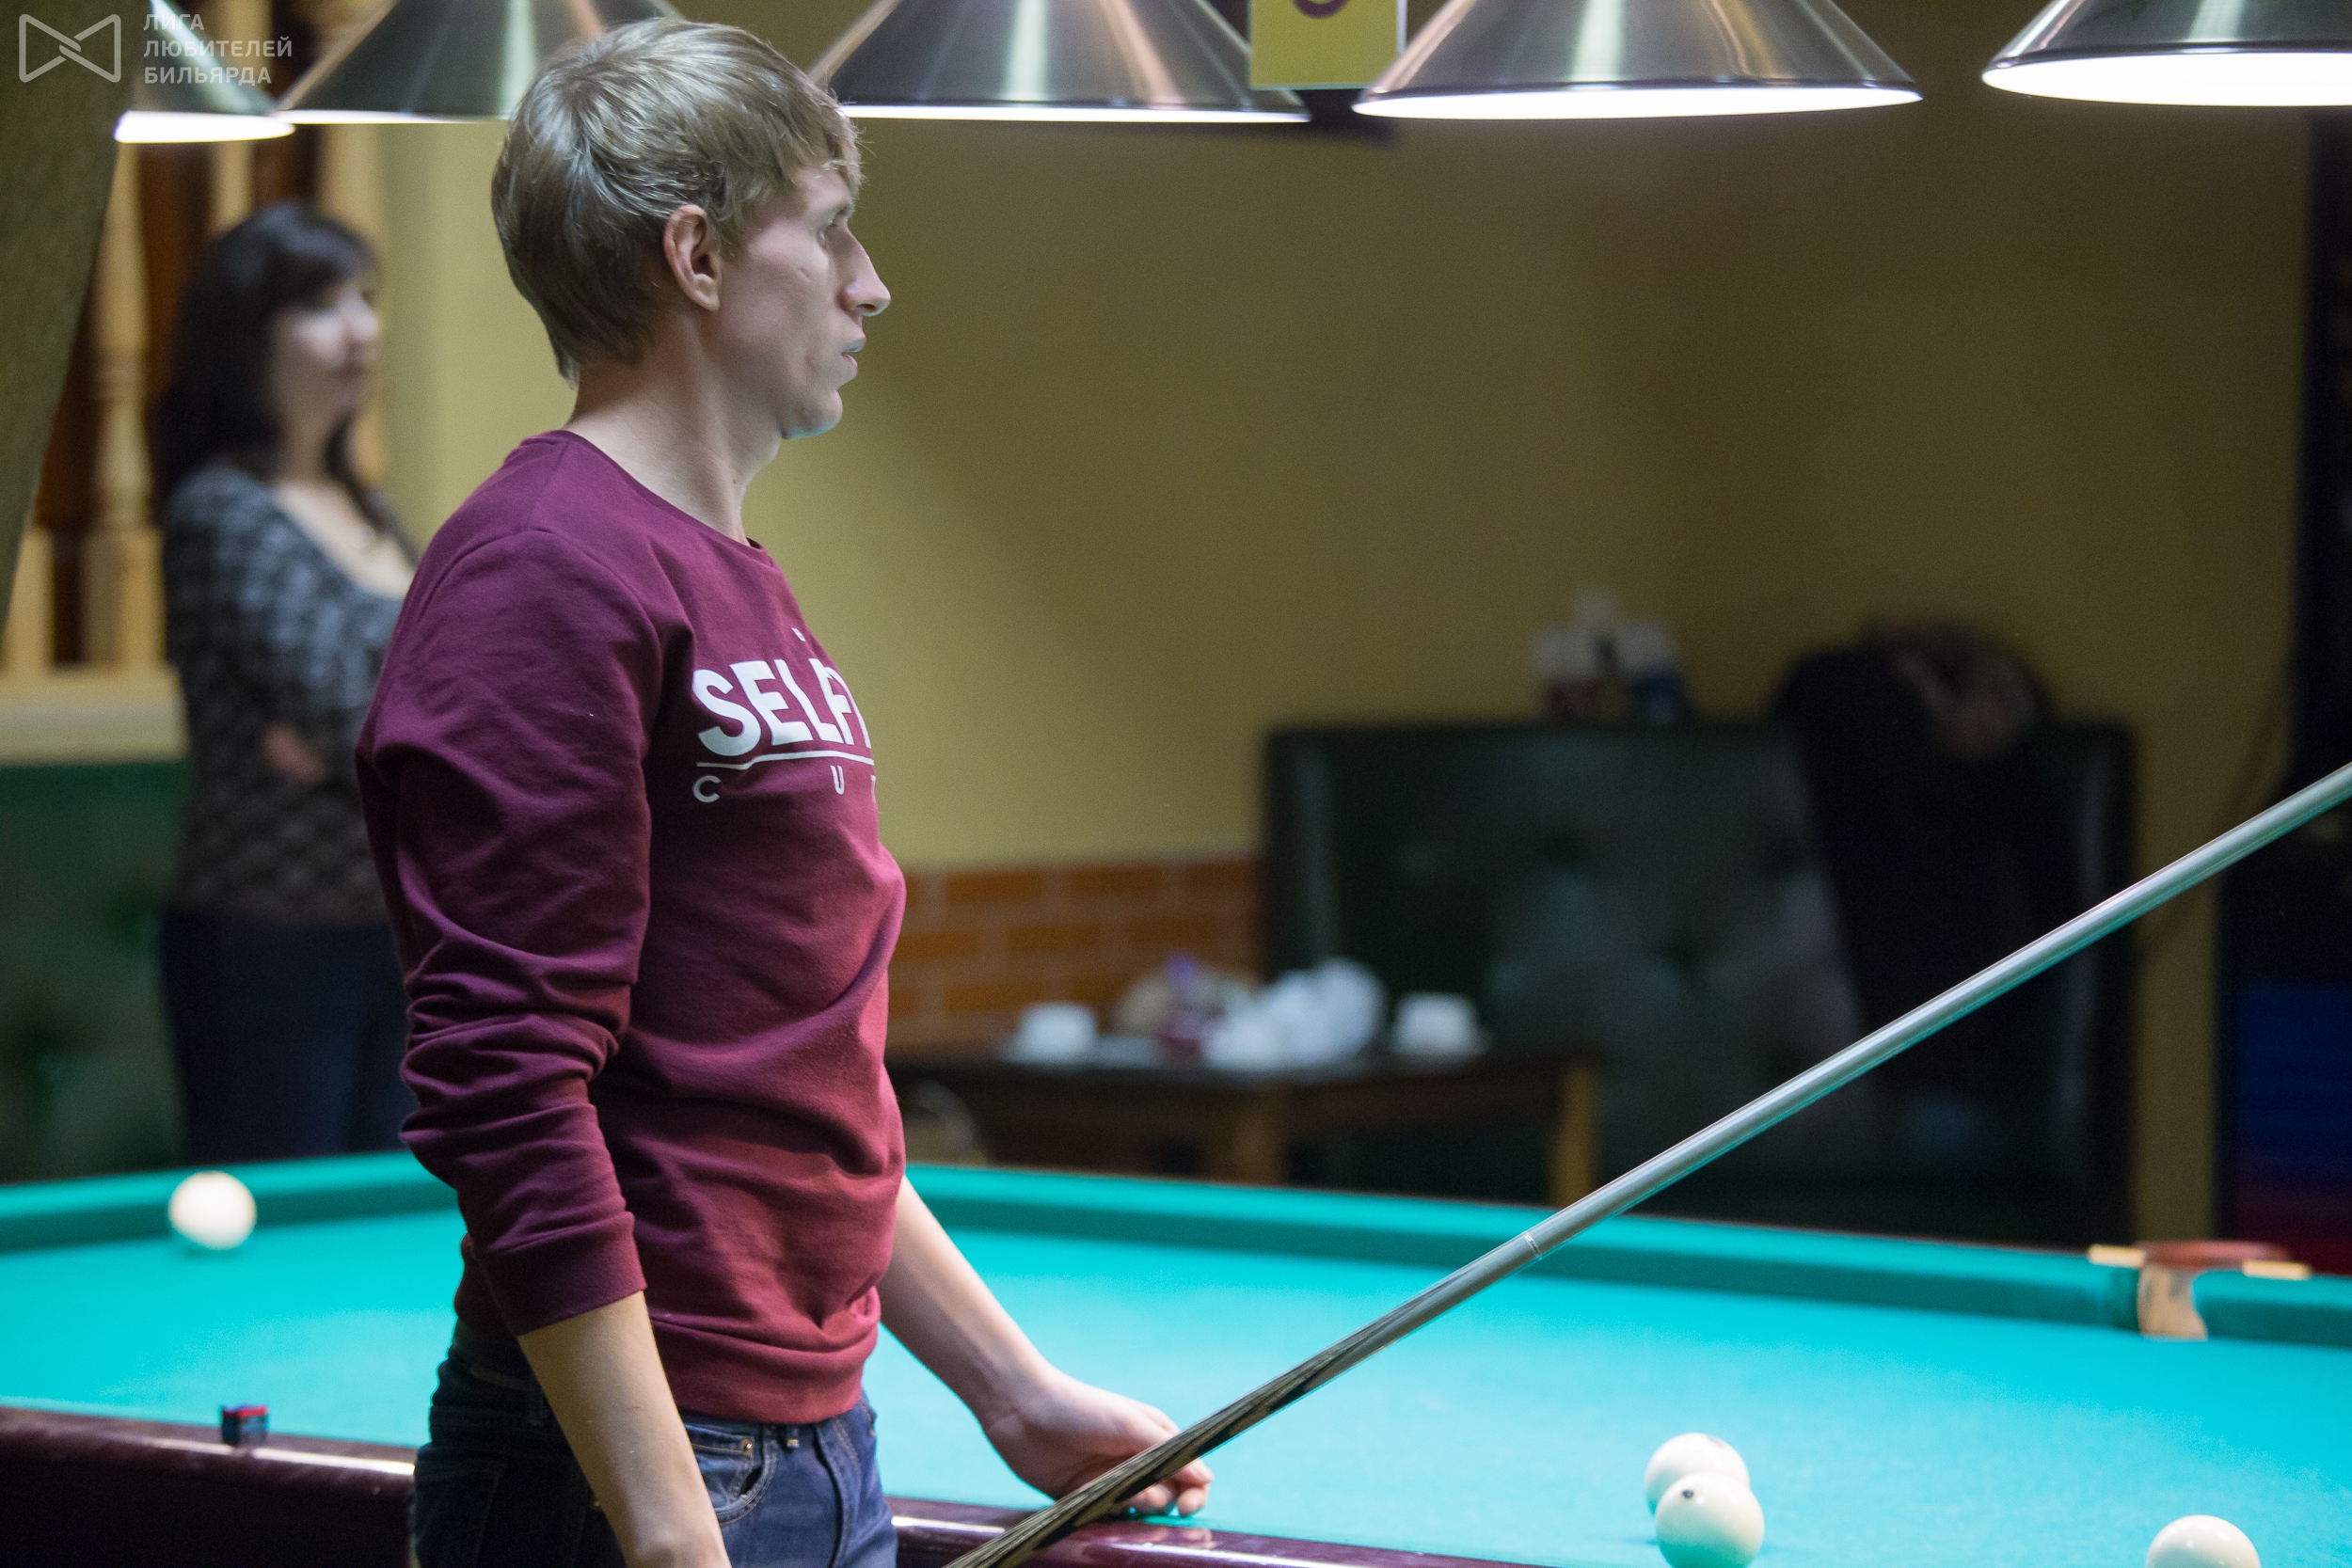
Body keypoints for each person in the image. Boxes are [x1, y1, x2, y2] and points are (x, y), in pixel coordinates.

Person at [357, 23, 1212, 1568]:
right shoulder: (541, 569)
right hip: (629, 1474)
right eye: (828, 230)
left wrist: (1009, 1387)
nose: (868, 284)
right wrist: (671, 1528)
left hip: (808, 1444)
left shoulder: (726, 574)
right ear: (695, 256)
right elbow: (505, 1082)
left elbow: (789, 1068)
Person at [151, 202, 416, 1165]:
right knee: (281, 1217)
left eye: (364, 299)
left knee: (388, 1218)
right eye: (321, 304)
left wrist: (363, 740)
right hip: (269, 944)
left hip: (399, 933)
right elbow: (350, 716)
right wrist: (371, 732)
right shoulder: (223, 508)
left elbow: (471, 682)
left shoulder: (370, 509)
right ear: (247, 334)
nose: (361, 331)